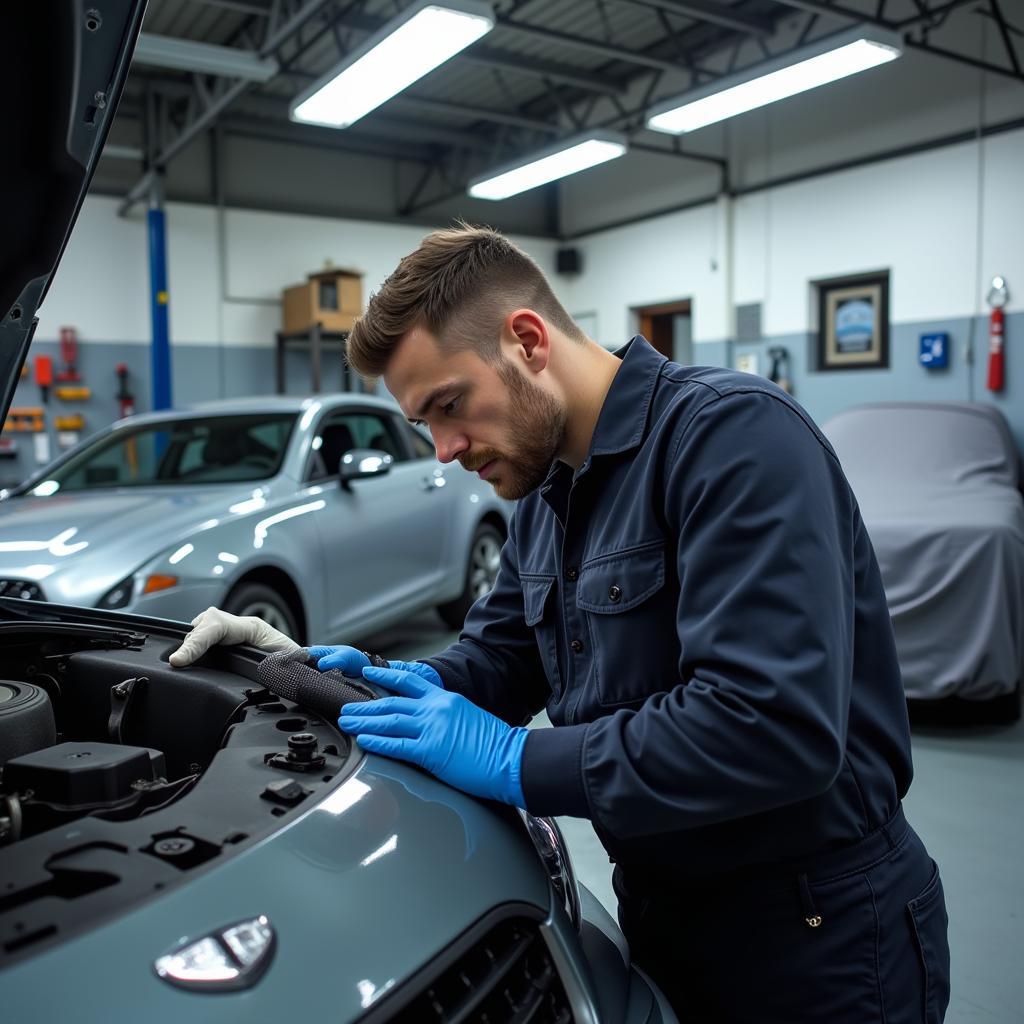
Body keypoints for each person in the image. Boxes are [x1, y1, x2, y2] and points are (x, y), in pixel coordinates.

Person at [171, 225, 950, 1023]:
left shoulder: (733, 439)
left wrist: (520, 759)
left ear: (528, 341)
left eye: (449, 405)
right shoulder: (548, 494)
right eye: (422, 426)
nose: (443, 450)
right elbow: (499, 659)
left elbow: (772, 726)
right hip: (662, 916)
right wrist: (318, 675)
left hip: (816, 936)